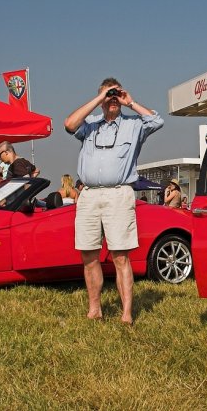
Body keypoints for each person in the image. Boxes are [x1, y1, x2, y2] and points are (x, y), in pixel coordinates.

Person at [64, 78, 163, 324]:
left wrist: (130, 102)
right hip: (88, 194)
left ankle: (126, 313)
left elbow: (156, 120)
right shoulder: (90, 125)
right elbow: (69, 124)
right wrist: (100, 97)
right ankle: (95, 309)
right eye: (109, 97)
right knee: (88, 255)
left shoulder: (132, 125)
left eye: (115, 96)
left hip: (119, 193)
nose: (112, 100)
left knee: (120, 256)